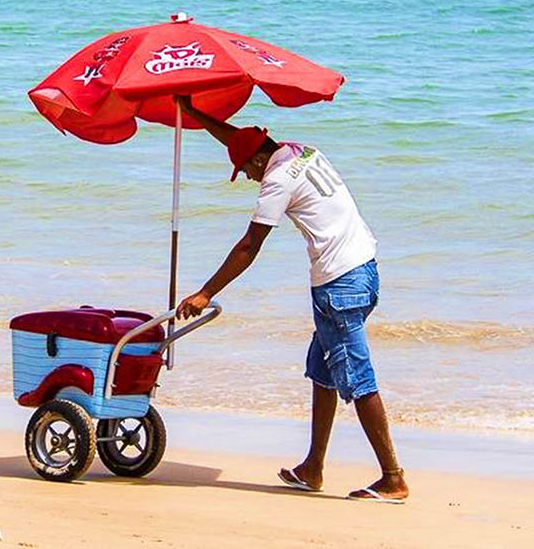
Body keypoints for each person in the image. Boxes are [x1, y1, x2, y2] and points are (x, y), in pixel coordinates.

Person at [173, 95, 408, 503]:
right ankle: (312, 467)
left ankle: (393, 477)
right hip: (364, 268)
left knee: (356, 377)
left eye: (245, 170)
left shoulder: (276, 180)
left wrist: (206, 292)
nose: (247, 177)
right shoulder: (301, 151)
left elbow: (249, 246)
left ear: (260, 163)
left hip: (339, 285)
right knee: (323, 370)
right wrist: (195, 114)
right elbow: (240, 139)